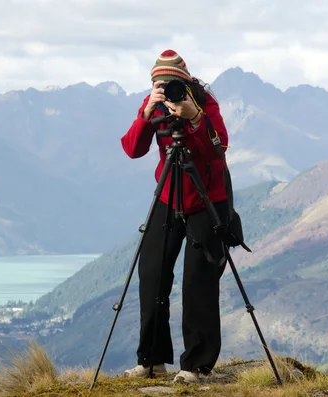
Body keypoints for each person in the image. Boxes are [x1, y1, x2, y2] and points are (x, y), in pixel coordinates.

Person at [120, 49, 230, 384]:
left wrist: (194, 117)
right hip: (169, 194)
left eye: (172, 85)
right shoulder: (150, 104)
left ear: (185, 82)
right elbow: (132, 149)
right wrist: (146, 113)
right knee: (152, 273)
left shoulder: (203, 103)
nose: (167, 90)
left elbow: (219, 147)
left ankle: (196, 366)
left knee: (199, 280)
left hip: (207, 197)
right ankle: (151, 361)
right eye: (160, 85)